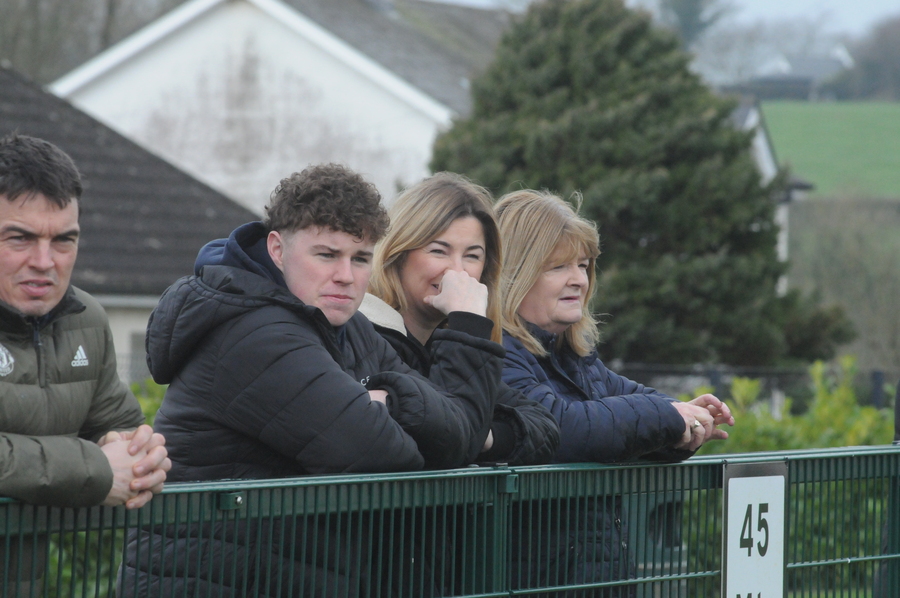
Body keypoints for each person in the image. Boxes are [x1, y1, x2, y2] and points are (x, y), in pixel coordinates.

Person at [121, 164, 497, 596]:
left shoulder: (349, 326)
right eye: (326, 255)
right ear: (277, 249)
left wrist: (390, 401)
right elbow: (379, 454)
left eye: (360, 258)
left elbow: (459, 435)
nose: (346, 275)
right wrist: (405, 409)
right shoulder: (253, 333)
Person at [495, 189, 735, 597]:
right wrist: (670, 417)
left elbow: (633, 408)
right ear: (515, 274)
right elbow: (563, 428)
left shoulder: (574, 357)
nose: (579, 279)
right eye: (558, 266)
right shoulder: (496, 352)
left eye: (583, 265)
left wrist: (687, 421)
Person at [0, 133, 170, 592]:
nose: (44, 261)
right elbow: (99, 467)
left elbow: (117, 427)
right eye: (20, 238)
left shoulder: (85, 319)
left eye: (63, 240)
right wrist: (96, 470)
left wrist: (141, 457)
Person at [363, 172, 559, 466]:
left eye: (472, 256)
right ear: (397, 254)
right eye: (439, 251)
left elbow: (546, 429)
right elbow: (444, 442)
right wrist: (467, 322)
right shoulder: (365, 335)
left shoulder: (453, 344)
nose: (457, 271)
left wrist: (482, 435)